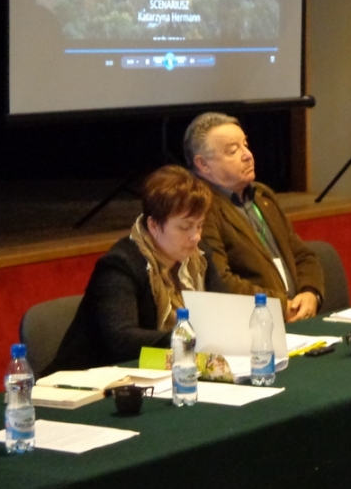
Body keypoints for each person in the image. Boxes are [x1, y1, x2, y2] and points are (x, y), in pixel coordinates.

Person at [47, 165, 225, 373]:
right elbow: (121, 339)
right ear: (154, 226)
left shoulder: (200, 256)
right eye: (185, 227)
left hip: (159, 373)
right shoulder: (120, 265)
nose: (196, 236)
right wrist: (187, 336)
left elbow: (221, 311)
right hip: (89, 379)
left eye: (200, 225)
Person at [183, 112, 324, 322]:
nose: (247, 154)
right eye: (233, 150)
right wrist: (279, 306)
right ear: (203, 164)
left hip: (297, 317)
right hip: (252, 325)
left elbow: (302, 255)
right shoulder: (201, 209)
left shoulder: (263, 196)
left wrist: (310, 293)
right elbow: (220, 281)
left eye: (245, 144)